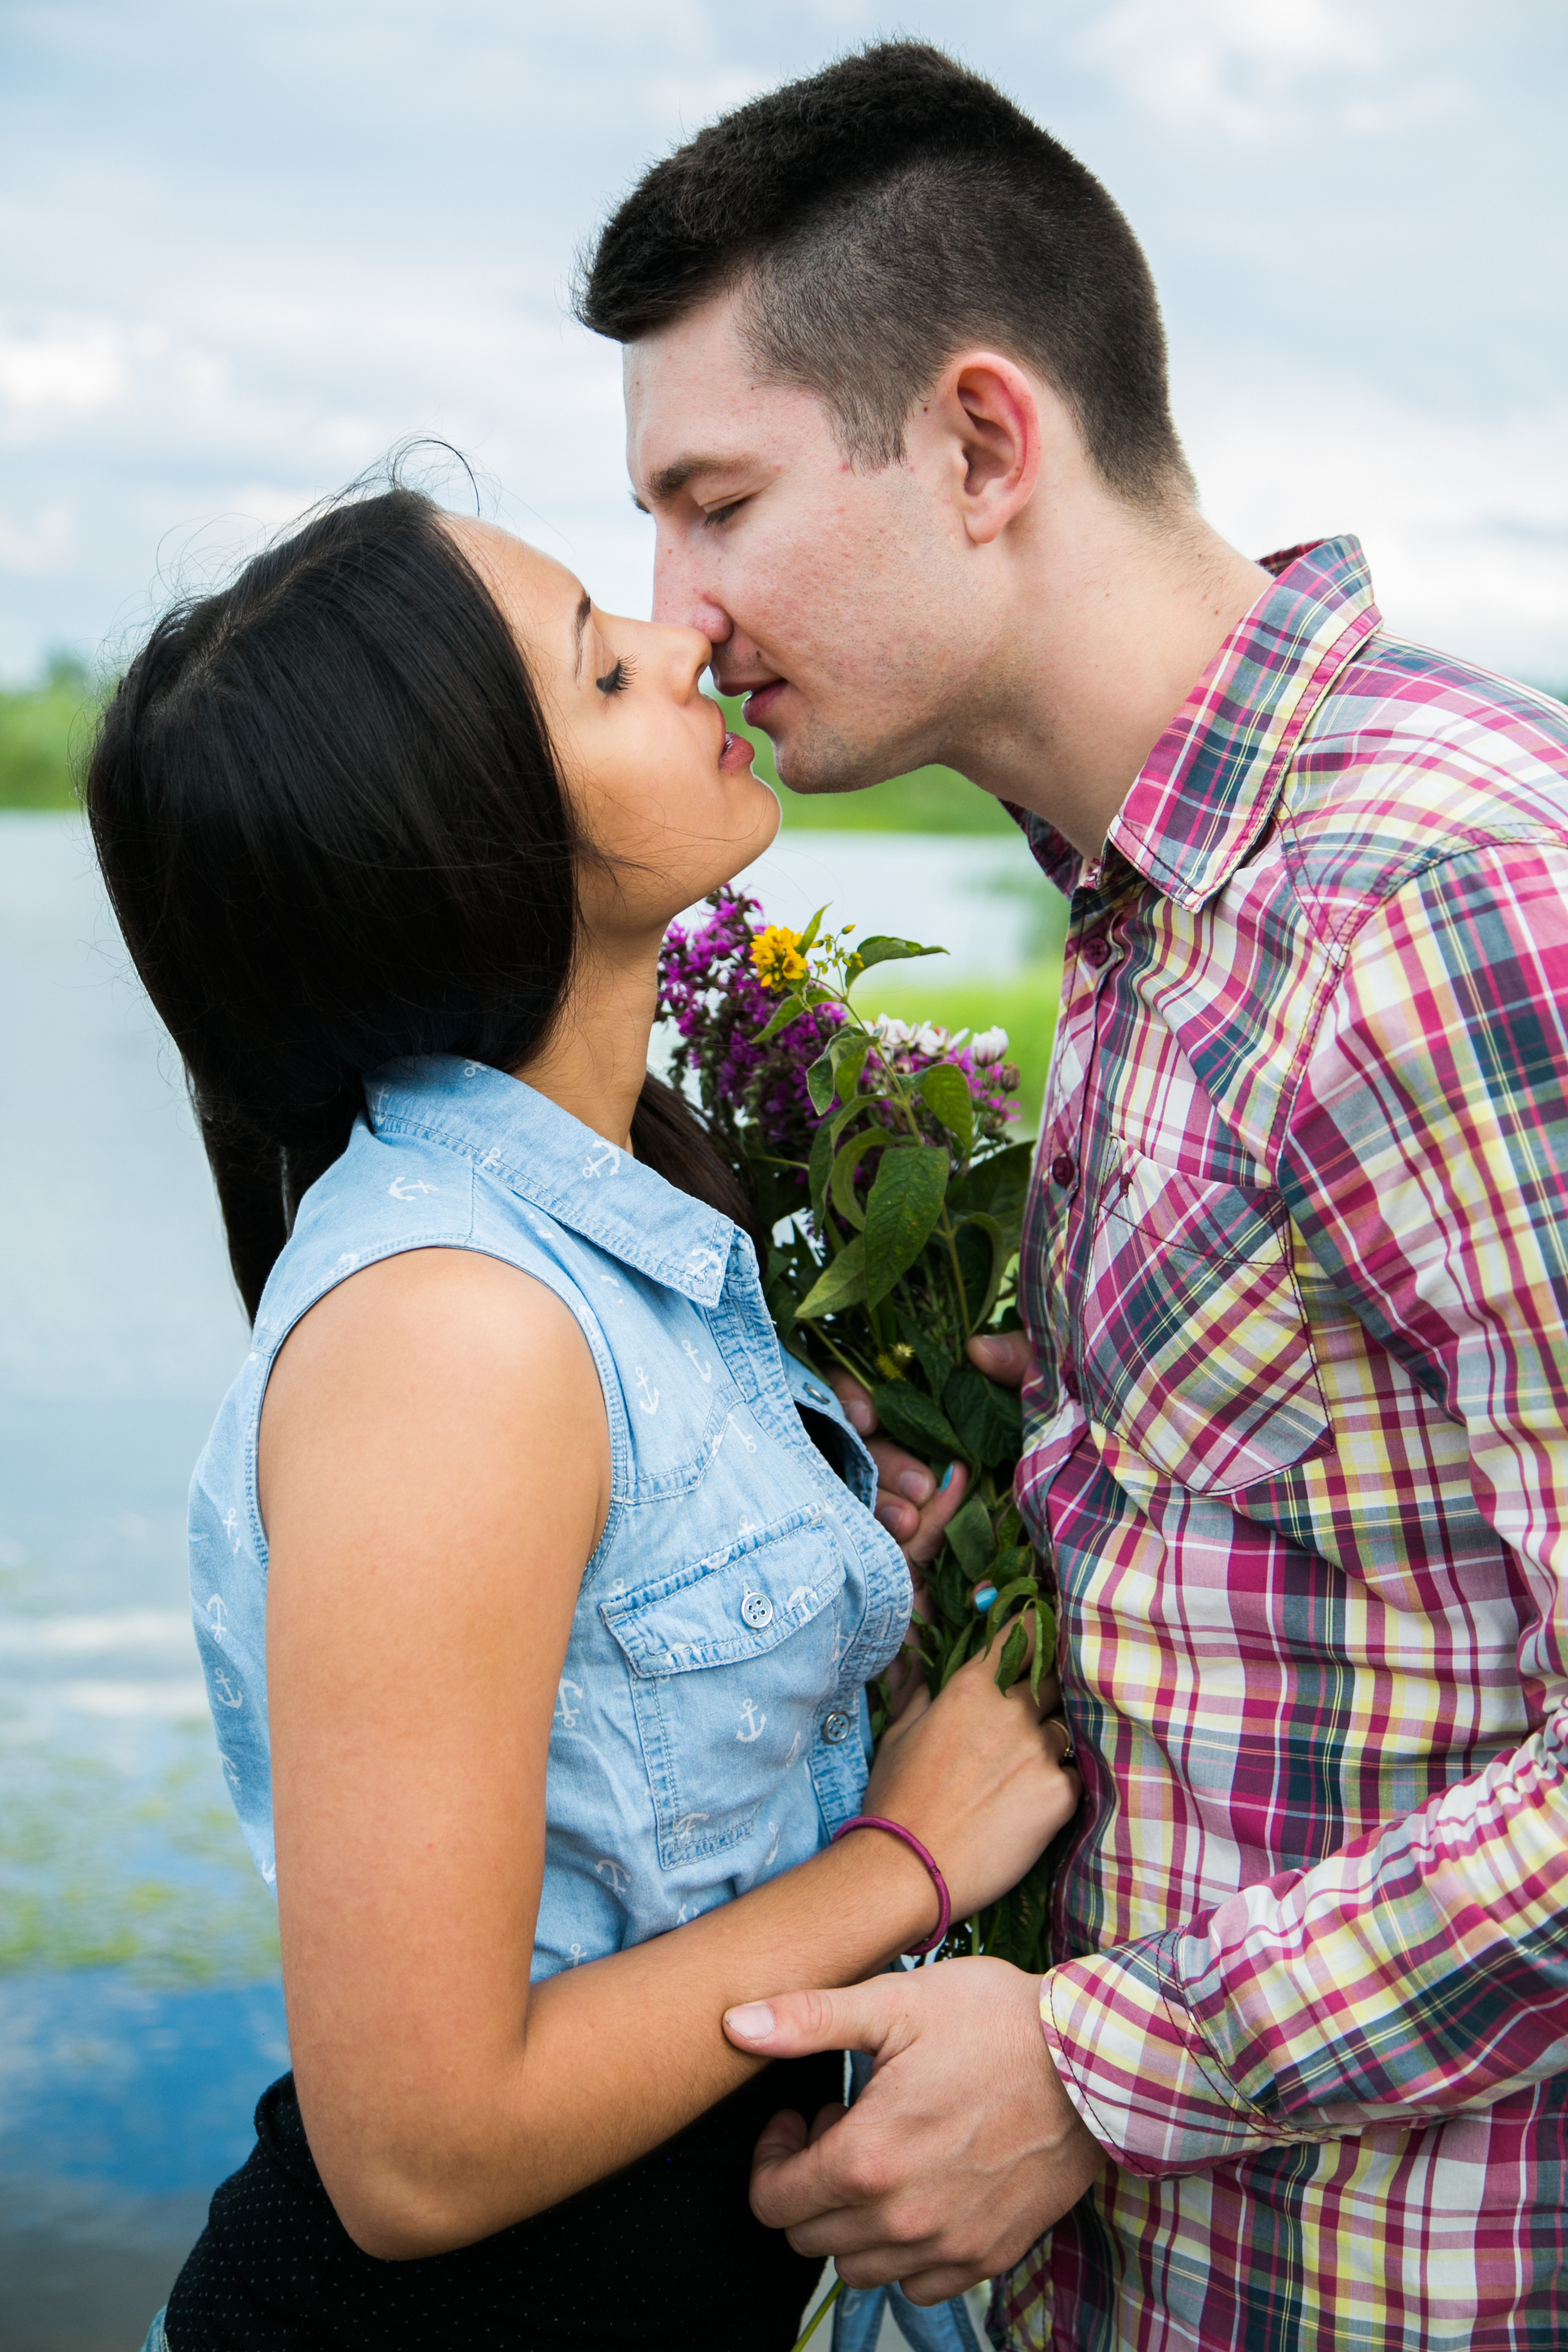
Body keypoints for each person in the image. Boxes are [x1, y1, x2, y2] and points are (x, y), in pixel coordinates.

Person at [573, 37, 1568, 2352]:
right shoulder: (1146, 906)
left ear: (984, 443)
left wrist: (1101, 2078)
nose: (676, 604)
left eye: (714, 501)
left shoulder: (1431, 897)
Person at [86, 482, 1080, 2352]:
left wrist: (813, 1601)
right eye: (601, 670)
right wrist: (907, 1853)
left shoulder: (608, 1235)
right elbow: (417, 2154)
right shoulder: (454, 1326)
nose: (683, 638)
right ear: (464, 844)